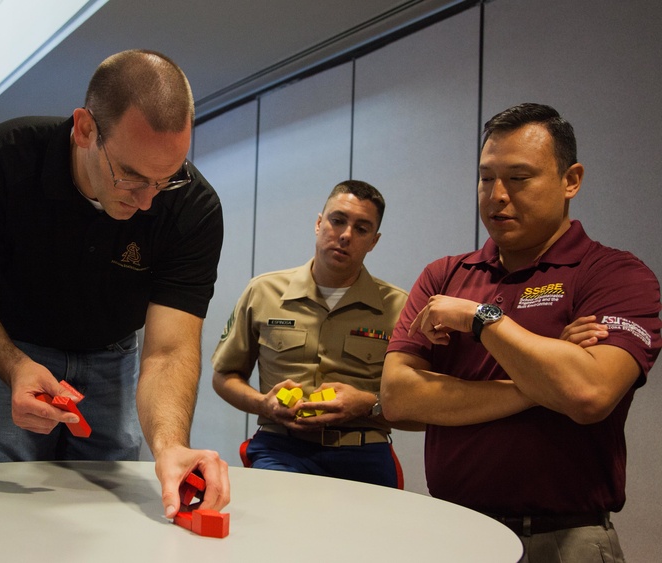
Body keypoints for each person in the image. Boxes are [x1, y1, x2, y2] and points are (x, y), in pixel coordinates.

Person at [0, 49, 229, 518]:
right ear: (85, 129)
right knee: (2, 509)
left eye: (166, 179)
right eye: (130, 176)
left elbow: (169, 351)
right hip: (8, 346)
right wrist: (13, 367)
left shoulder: (192, 206)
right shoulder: (3, 161)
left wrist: (171, 445)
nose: (148, 203)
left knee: (108, 507)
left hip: (112, 357)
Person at [381, 103, 661, 562]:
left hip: (566, 539)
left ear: (571, 180)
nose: (497, 196)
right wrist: (542, 381)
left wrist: (480, 319)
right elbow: (398, 398)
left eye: (519, 178)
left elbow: (589, 394)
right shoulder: (445, 276)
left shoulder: (615, 275)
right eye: (486, 177)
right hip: (454, 532)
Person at [212, 181, 411, 486]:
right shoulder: (263, 291)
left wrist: (369, 403)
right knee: (277, 526)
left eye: (361, 229)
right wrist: (263, 404)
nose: (345, 235)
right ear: (319, 223)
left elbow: (420, 410)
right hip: (281, 448)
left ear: (374, 241)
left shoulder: (399, 307)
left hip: (363, 451)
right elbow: (225, 377)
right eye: (337, 220)